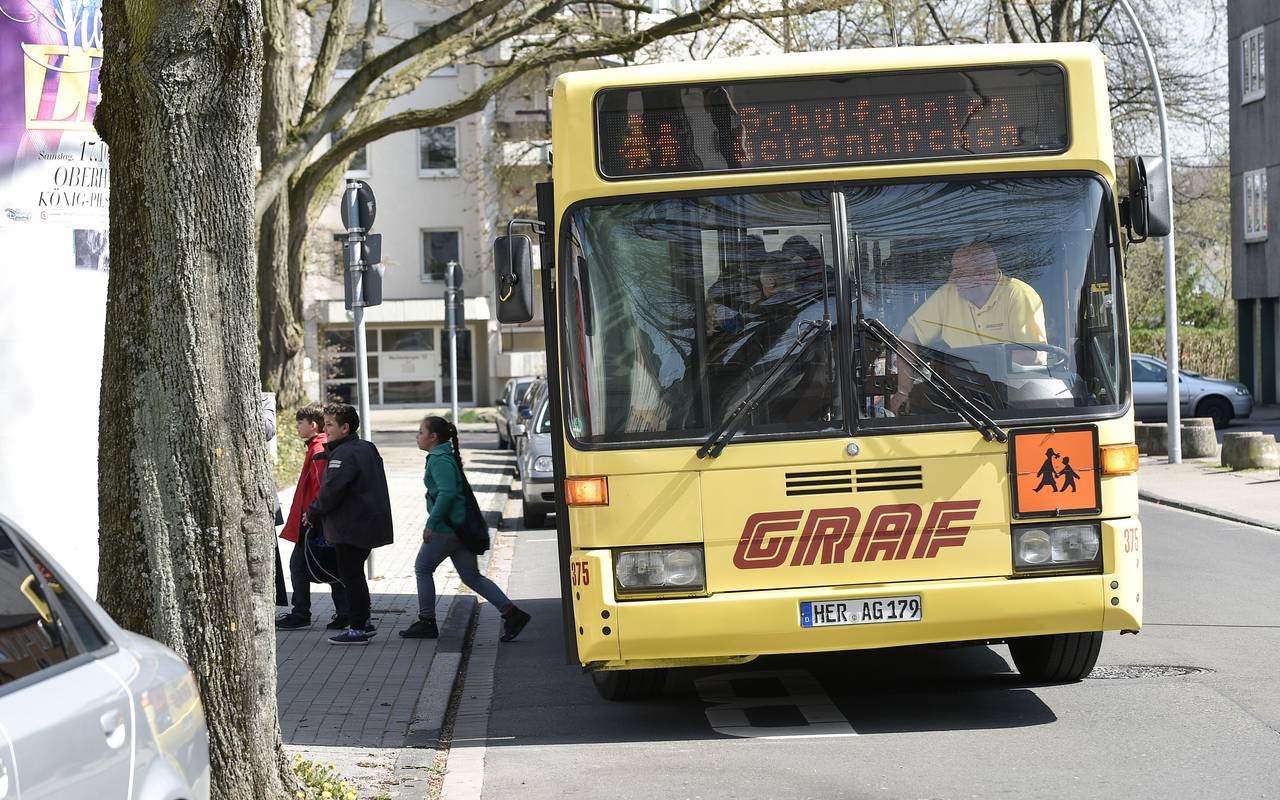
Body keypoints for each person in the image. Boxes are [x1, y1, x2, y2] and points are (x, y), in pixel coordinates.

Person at [400, 416, 532, 642]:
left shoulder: (440, 460)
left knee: (423, 568)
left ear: (433, 437)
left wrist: (431, 524)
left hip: (447, 528)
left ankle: (427, 621)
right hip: (459, 528)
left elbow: (447, 494)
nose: (417, 436)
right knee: (471, 576)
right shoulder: (442, 456)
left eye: (420, 432)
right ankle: (512, 613)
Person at [890, 241, 1047, 415]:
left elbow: (1035, 355)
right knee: (919, 399)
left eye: (959, 272)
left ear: (983, 275)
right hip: (961, 393)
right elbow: (908, 336)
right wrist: (904, 390)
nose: (951, 278)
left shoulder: (1017, 294)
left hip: (1015, 392)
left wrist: (983, 361)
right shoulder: (949, 294)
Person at [306, 403, 393, 646]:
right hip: (367, 524)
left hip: (351, 527)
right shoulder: (365, 447)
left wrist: (312, 513)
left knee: (351, 576)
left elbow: (331, 492)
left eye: (330, 425)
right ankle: (363, 622)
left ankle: (357, 628)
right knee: (355, 575)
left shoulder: (344, 454)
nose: (325, 429)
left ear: (345, 428)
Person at [276, 403, 350, 631]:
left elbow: (322, 488)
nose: (297, 426)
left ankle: (302, 613)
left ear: (313, 425)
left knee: (300, 565)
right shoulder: (318, 448)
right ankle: (343, 613)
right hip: (319, 519)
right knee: (331, 566)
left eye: (300, 422)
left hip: (313, 520)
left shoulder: (319, 450)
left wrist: (313, 515)